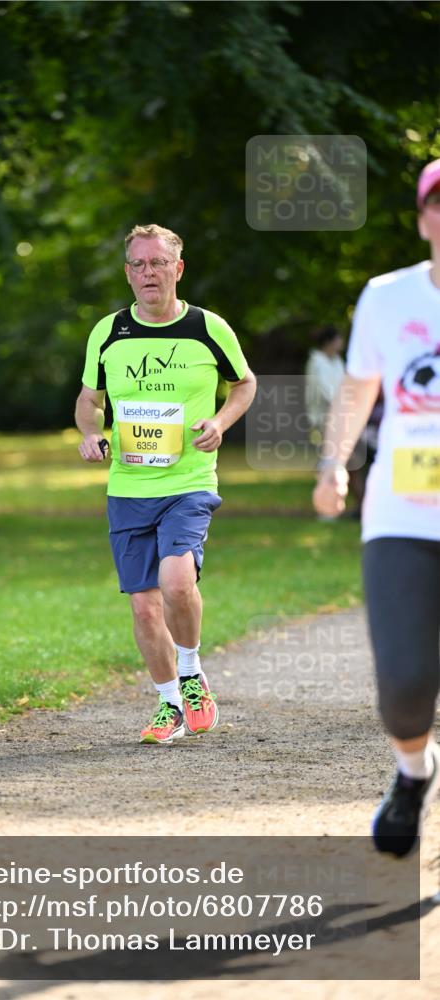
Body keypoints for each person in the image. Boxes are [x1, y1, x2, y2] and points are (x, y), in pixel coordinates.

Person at [75, 224, 256, 744]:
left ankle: (192, 670)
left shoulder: (207, 328)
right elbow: (90, 400)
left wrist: (220, 423)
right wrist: (90, 434)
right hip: (129, 488)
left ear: (177, 269)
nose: (147, 273)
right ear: (128, 273)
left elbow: (245, 383)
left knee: (177, 583)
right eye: (137, 264)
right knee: (143, 604)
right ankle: (168, 703)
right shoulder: (109, 332)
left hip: (189, 482)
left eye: (157, 263)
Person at [313, 159, 440, 857]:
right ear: (423, 218)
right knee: (404, 683)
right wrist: (333, 464)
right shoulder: (387, 298)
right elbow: (357, 390)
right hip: (402, 514)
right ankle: (412, 772)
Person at [305, 325, 365, 515]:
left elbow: (346, 386)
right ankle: (326, 509)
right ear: (330, 342)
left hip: (344, 419)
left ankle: (357, 507)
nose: (342, 342)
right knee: (330, 463)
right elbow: (326, 392)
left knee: (350, 464)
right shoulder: (317, 362)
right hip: (324, 421)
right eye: (338, 338)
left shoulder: (337, 361)